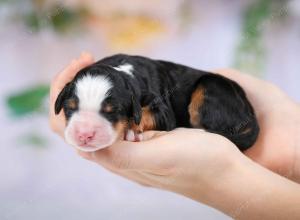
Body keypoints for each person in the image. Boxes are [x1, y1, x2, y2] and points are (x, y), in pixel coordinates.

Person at [49, 52, 300, 219]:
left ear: (134, 106)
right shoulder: (111, 82)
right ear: (63, 101)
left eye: (110, 113)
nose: (84, 130)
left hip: (215, 93)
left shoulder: (144, 95)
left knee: (206, 95)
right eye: (72, 109)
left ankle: (225, 134)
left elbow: (162, 118)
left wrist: (224, 175)